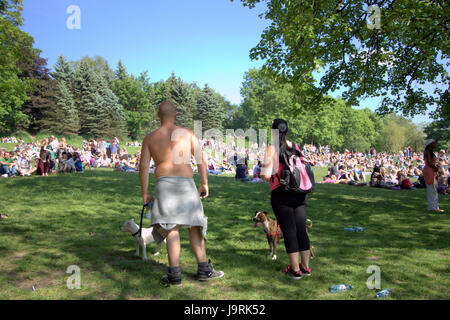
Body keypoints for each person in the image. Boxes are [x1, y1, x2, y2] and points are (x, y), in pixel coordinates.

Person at [139, 101, 224, 286]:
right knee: (195, 226)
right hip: (186, 183)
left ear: (157, 116)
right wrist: (204, 183)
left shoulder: (150, 138)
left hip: (164, 184)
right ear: (175, 114)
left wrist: (145, 193)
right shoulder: (187, 134)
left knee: (172, 229)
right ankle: (203, 270)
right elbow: (201, 158)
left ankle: (174, 276)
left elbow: (144, 167)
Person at [261, 118, 311, 280]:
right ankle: (306, 267)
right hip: (299, 192)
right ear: (287, 131)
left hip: (281, 193)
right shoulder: (296, 147)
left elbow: (266, 175)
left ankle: (295, 270)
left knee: (289, 230)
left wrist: (262, 174)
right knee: (301, 230)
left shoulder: (272, 148)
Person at [423, 139, 444, 212]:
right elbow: (429, 163)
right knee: (432, 189)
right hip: (429, 171)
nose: (435, 144)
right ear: (430, 144)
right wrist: (436, 168)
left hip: (431, 170)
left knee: (433, 190)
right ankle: (433, 207)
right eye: (433, 143)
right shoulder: (427, 152)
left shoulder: (430, 152)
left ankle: (434, 207)